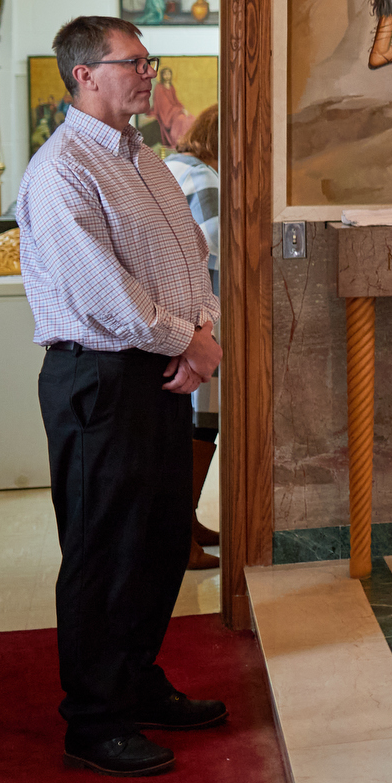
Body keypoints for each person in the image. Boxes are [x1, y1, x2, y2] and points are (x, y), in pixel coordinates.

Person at [17, 16, 227, 777]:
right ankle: (94, 720)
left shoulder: (146, 161)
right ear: (85, 74)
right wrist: (189, 342)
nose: (149, 72)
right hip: (100, 379)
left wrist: (197, 339)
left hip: (162, 370)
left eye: (148, 60)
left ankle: (135, 679)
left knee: (163, 538)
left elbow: (188, 259)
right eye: (133, 61)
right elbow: (102, 292)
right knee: (104, 552)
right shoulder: (62, 168)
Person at [165, 106, 224, 573]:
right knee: (199, 427)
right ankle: (179, 537)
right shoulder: (203, 178)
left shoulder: (175, 166)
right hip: (200, 323)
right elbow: (220, 242)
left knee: (194, 426)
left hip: (182, 322)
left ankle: (187, 523)